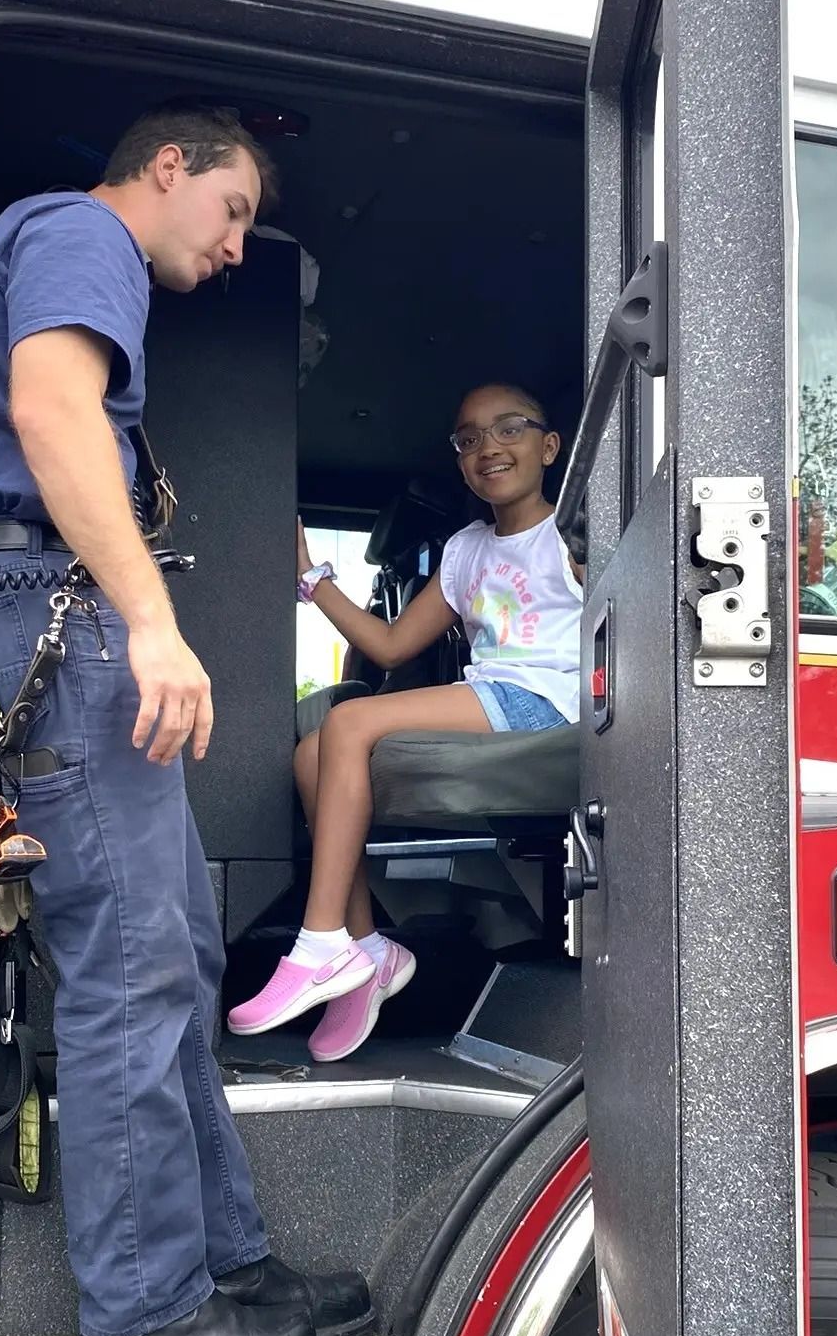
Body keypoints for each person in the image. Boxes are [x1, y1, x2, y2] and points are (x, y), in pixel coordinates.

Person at [0, 105, 372, 1336]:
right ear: (168, 167)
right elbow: (52, 408)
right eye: (233, 210)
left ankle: (225, 1263)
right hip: (53, 613)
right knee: (133, 967)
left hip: (46, 611)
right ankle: (144, 1313)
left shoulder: (50, 246)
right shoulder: (86, 235)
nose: (237, 248)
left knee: (173, 948)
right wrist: (148, 619)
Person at [230, 384, 581, 1061]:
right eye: (469, 439)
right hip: (491, 694)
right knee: (312, 751)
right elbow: (391, 646)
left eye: (509, 429)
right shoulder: (466, 549)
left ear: (549, 446)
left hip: (548, 704)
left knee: (350, 722)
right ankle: (366, 951)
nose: (489, 447)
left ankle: (320, 942)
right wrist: (312, 580)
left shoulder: (570, 533)